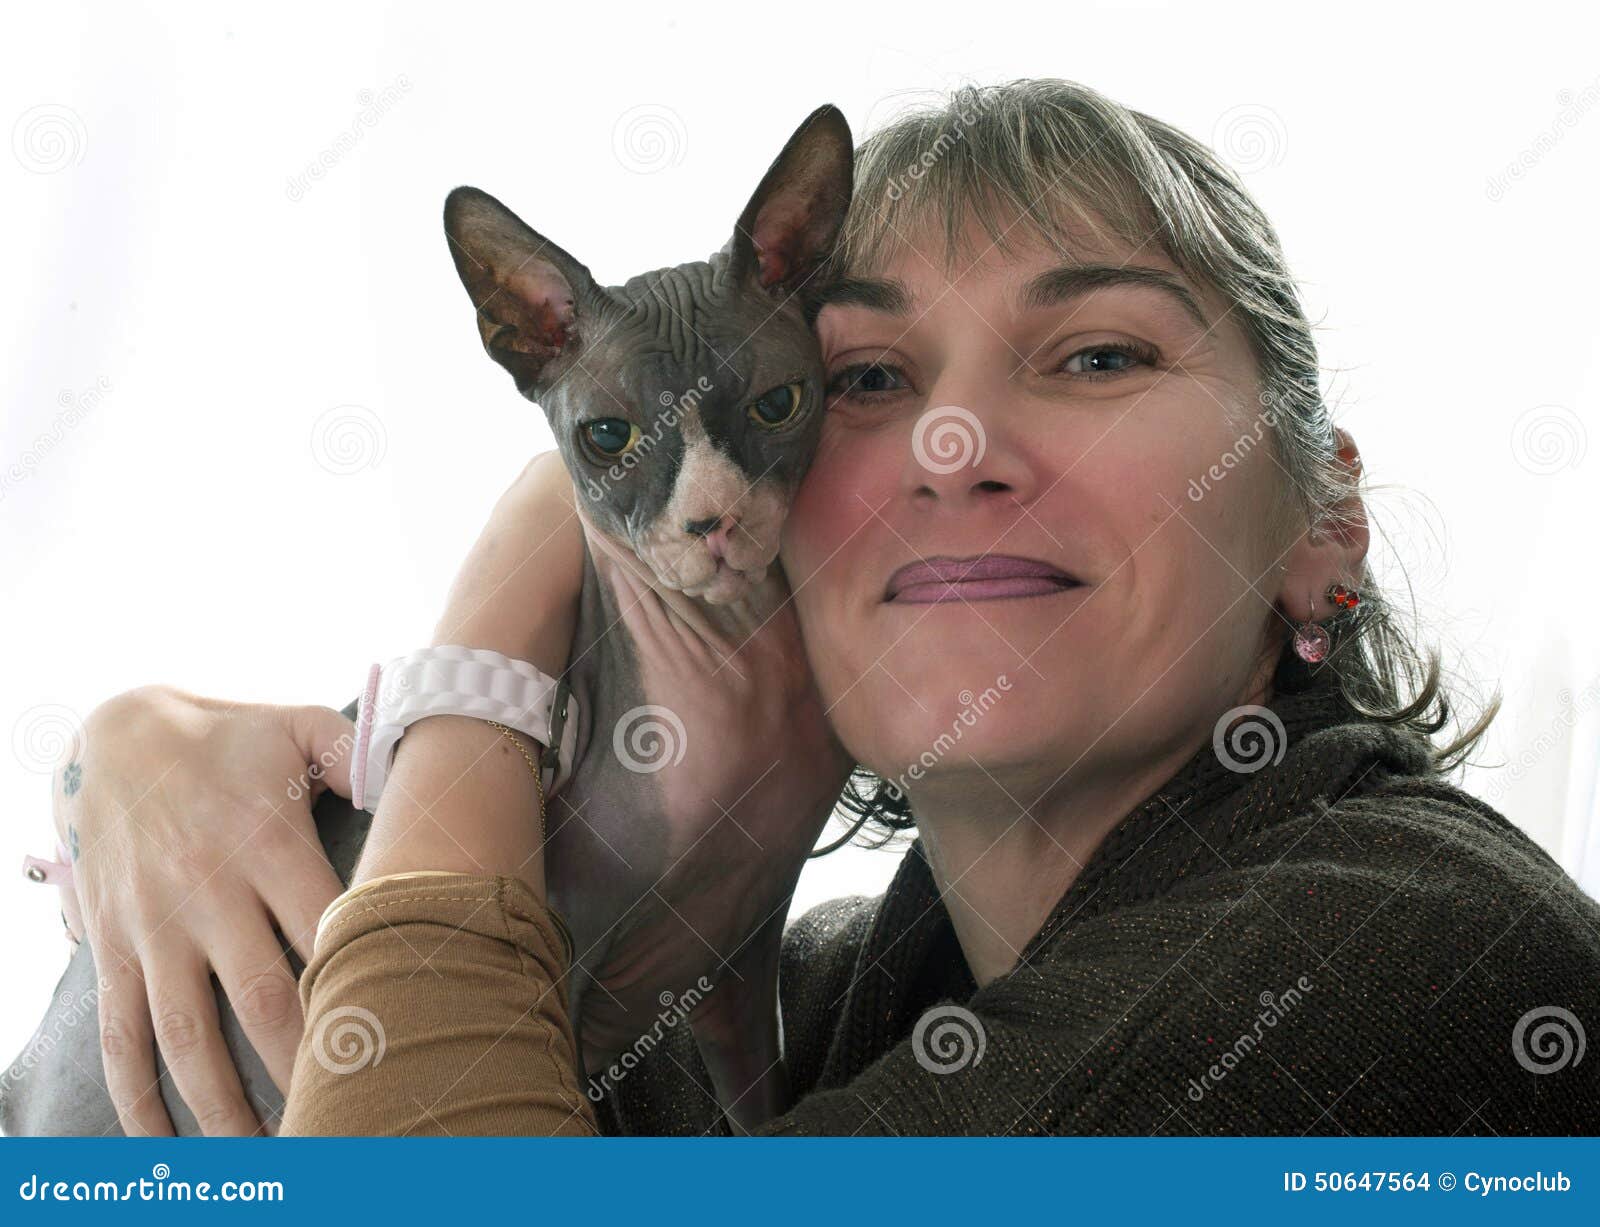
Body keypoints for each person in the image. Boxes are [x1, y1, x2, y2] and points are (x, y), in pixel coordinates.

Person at [46, 79, 1600, 1137]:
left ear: (1324, 523)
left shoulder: (1402, 958)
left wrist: (518, 581)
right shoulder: (844, 989)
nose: (953, 448)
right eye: (865, 381)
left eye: (1098, 355)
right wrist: (129, 765)